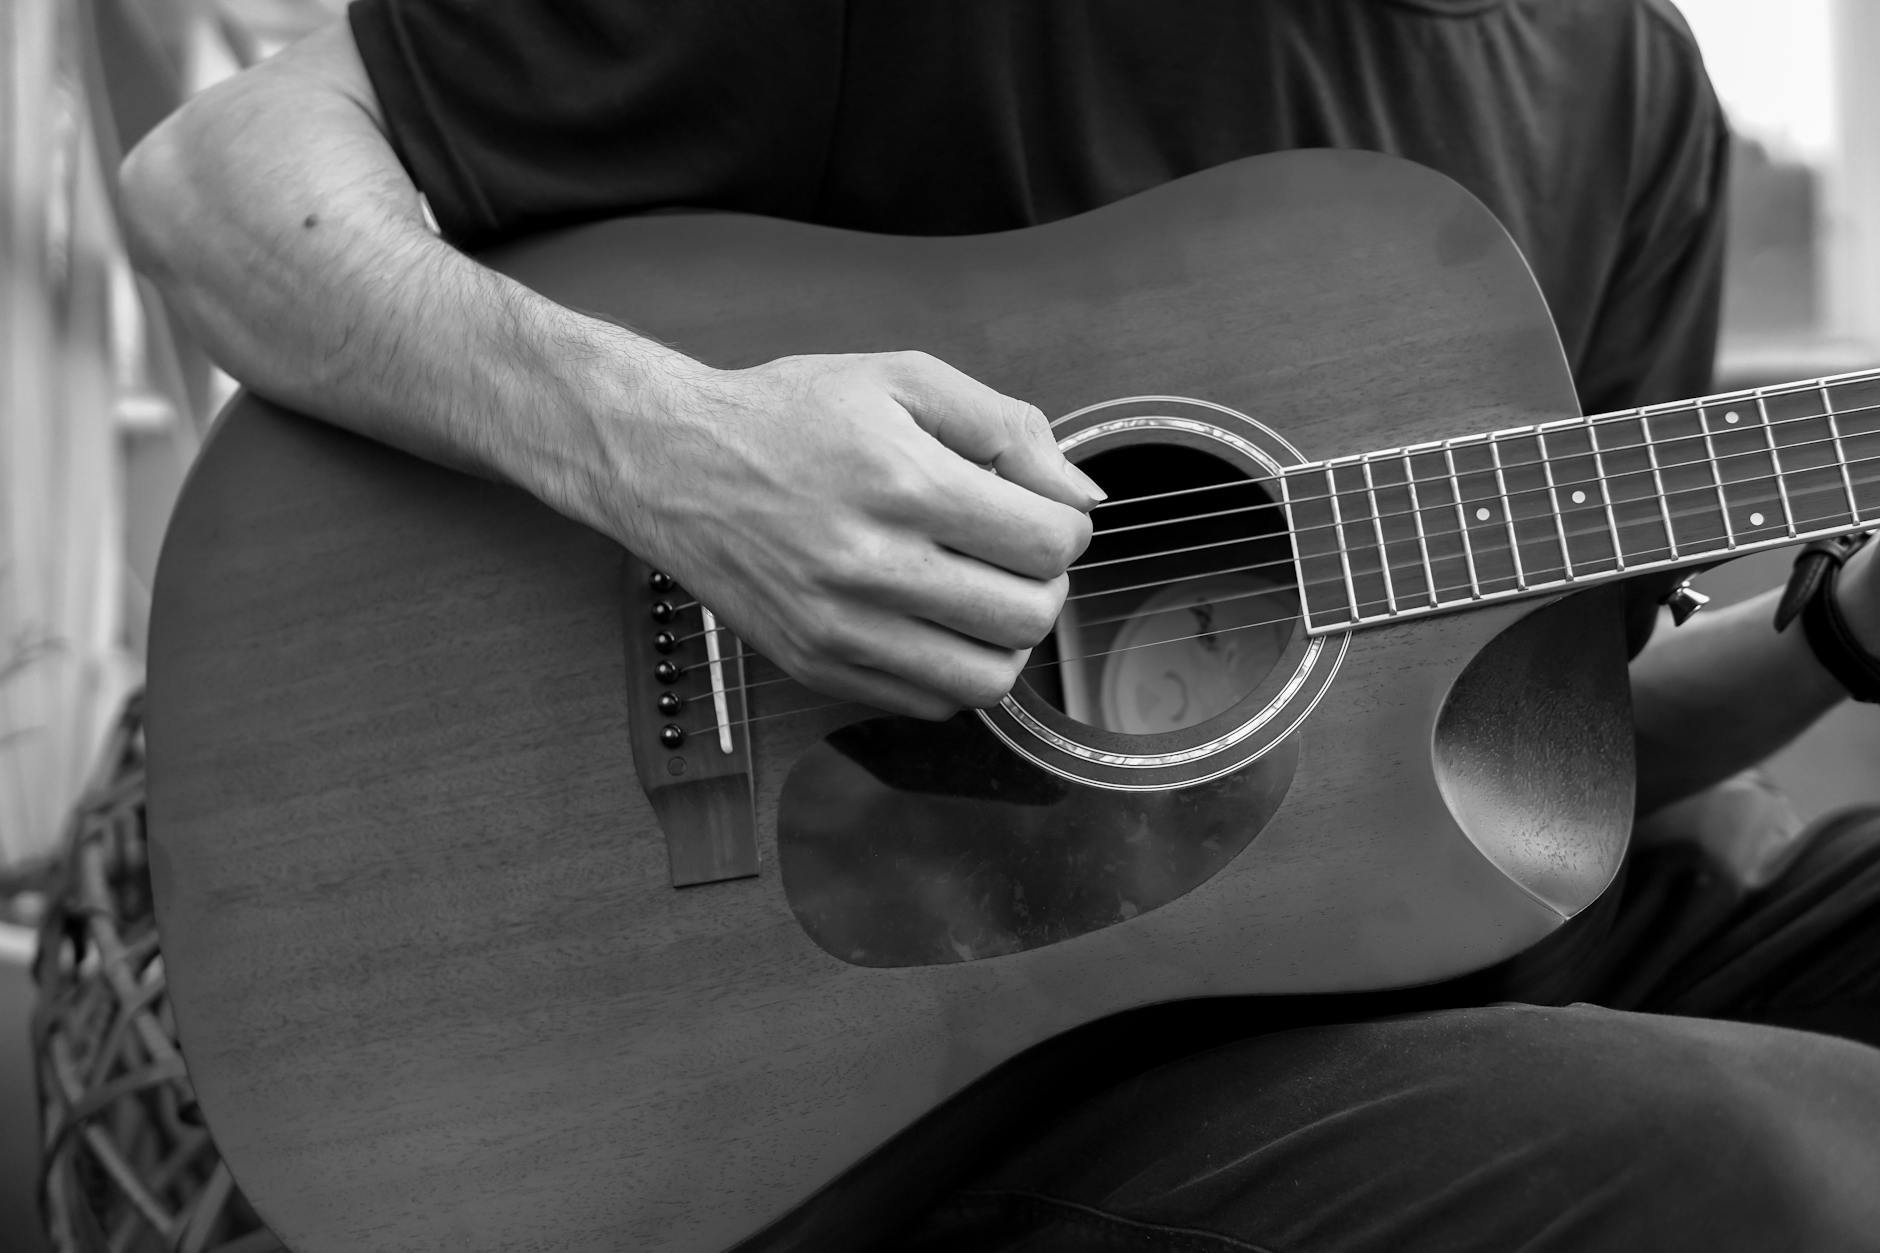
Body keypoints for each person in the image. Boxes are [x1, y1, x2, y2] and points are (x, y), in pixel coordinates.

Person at [118, 2, 1880, 1248]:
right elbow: (215, 187)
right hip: (929, 1070)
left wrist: (1836, 636)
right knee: (1776, 1164)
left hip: (1363, 975)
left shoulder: (1636, 87)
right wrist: (684, 459)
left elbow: (1556, 751)